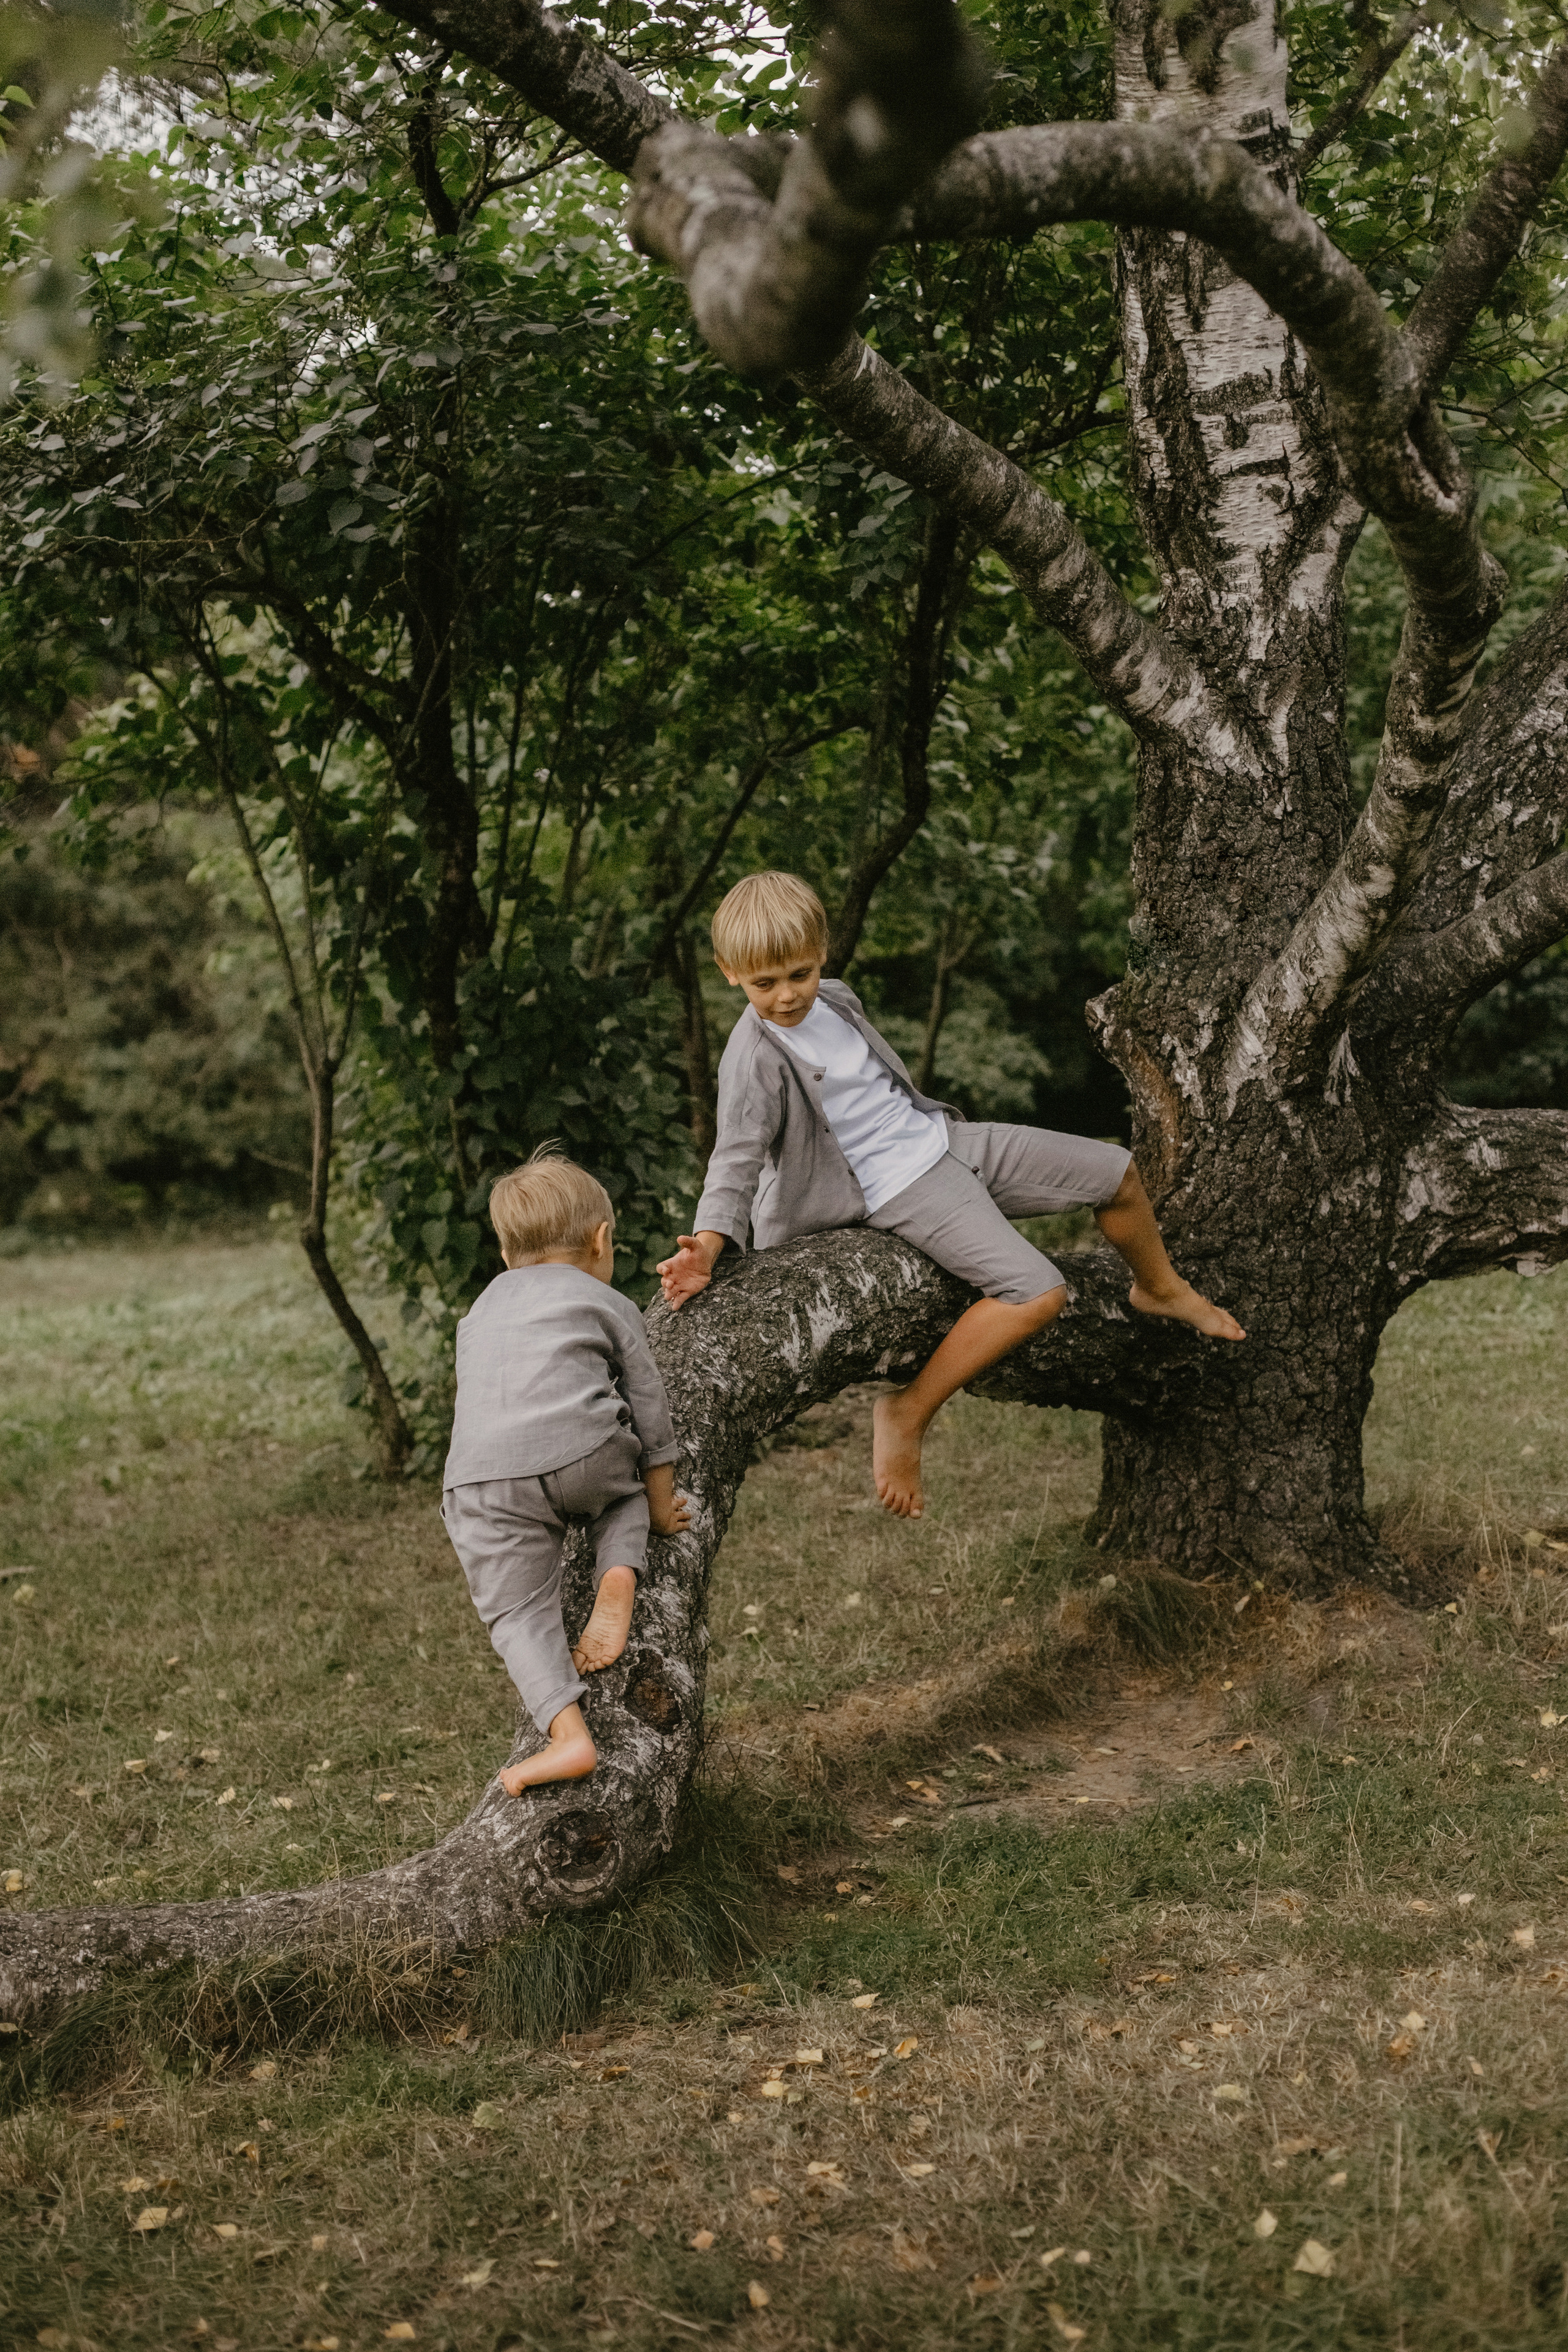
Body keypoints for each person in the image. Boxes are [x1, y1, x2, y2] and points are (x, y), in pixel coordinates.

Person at [657, 871, 1244, 1520]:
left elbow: (876, 1092)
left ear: (821, 952)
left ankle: (1158, 1289)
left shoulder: (838, 999)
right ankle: (907, 1411)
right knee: (1036, 1291)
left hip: (941, 1139)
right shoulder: (753, 1058)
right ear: (728, 972)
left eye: (798, 973)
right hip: (895, 1184)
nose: (787, 995)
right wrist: (707, 1248)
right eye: (763, 983)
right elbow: (734, 1159)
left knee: (1117, 1174)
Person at [443, 1151, 690, 1795]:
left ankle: (567, 1735)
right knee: (622, 1495)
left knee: (516, 1611)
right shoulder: (605, 1298)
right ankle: (617, 1573)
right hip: (585, 1452)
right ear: (602, 1240)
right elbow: (649, 1405)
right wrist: (661, 1504)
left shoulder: (478, 1315)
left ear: (505, 1254)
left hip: (483, 1481)